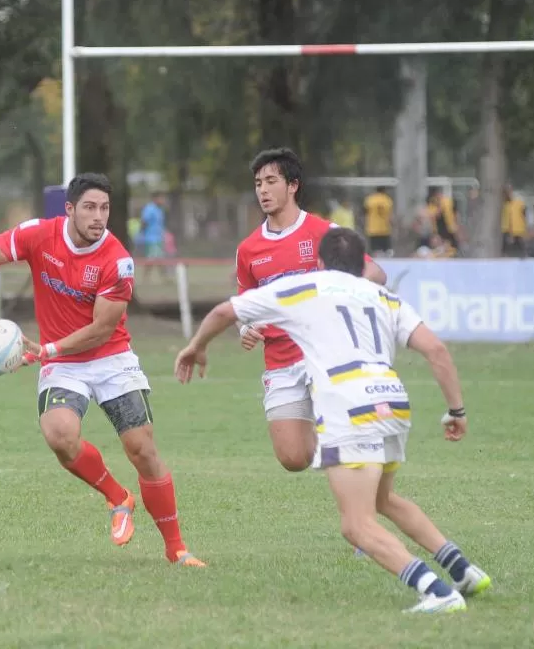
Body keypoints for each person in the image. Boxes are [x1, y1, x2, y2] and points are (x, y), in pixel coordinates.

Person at [175, 227, 492, 613]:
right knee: (383, 499)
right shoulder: (382, 296)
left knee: (355, 526)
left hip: (350, 406)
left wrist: (196, 346)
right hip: (393, 402)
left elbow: (227, 310)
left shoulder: (307, 287)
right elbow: (436, 350)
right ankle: (463, 571)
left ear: (320, 262)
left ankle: (438, 592)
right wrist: (456, 411)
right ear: (363, 265)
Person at [0, 172, 205, 568]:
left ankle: (176, 548)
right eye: (90, 208)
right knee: (60, 436)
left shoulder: (118, 261)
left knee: (142, 450)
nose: (98, 217)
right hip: (62, 364)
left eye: (105, 209)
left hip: (111, 359)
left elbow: (102, 329)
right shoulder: (40, 235)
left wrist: (46, 349)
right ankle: (117, 497)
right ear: (70, 210)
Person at [236, 147, 387, 474]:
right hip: (280, 360)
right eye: (258, 182)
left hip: (327, 356)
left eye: (271, 181)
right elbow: (245, 304)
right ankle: (335, 439)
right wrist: (245, 329)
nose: (262, 189)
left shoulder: (323, 232)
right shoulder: (249, 249)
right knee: (293, 458)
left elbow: (375, 274)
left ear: (293, 185)